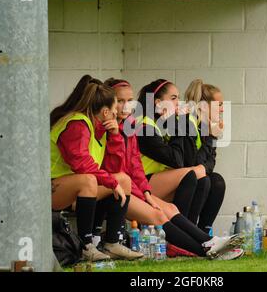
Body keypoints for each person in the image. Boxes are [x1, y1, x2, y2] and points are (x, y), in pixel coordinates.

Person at [101, 78, 244, 260]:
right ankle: (206, 249)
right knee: (187, 181)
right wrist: (180, 126)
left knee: (174, 205)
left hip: (139, 185)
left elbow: (138, 165)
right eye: (174, 98)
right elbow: (178, 162)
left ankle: (209, 242)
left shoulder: (132, 125)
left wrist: (145, 193)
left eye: (129, 101)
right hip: (124, 186)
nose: (126, 106)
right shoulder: (142, 125)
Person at [50, 75, 143, 261]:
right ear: (106, 112)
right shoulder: (77, 123)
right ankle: (86, 246)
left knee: (123, 179)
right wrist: (110, 182)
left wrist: (116, 135)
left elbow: (115, 168)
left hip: (72, 189)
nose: (119, 112)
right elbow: (81, 163)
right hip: (49, 189)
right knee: (89, 179)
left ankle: (112, 243)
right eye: (115, 107)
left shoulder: (97, 127)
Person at [135, 79, 211, 223]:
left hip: (160, 180)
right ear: (158, 103)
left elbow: (188, 160)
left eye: (178, 98)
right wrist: (176, 127)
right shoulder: (145, 128)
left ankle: (192, 230)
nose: (178, 103)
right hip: (142, 182)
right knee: (190, 175)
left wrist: (180, 122)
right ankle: (180, 233)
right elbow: (177, 162)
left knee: (204, 180)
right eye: (173, 98)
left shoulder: (163, 122)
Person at [183, 79, 227, 234]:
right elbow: (194, 162)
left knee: (217, 181)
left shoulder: (206, 127)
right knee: (205, 180)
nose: (222, 109)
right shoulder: (189, 124)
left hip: (195, 176)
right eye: (219, 105)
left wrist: (210, 135)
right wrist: (209, 137)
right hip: (179, 179)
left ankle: (204, 231)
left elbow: (210, 164)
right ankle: (191, 231)